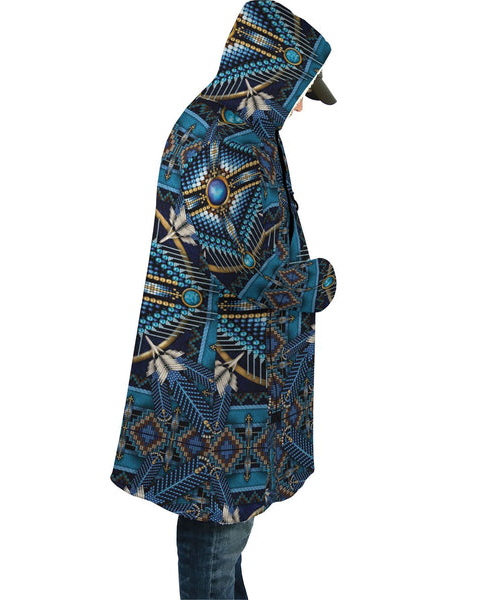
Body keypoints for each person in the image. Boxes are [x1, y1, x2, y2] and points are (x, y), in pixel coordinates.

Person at [109, 2, 338, 598]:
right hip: (218, 378)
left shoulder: (238, 129)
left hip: (219, 366)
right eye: (298, 91)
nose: (299, 107)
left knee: (221, 521)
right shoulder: (224, 139)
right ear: (271, 76)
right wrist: (317, 283)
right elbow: (239, 262)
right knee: (215, 525)